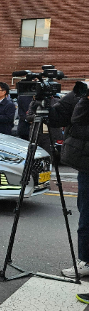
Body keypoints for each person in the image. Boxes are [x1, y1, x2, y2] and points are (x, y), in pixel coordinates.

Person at [48, 82, 89, 280]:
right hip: (86, 166)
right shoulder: (80, 95)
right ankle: (86, 260)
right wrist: (41, 102)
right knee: (87, 215)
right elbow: (58, 118)